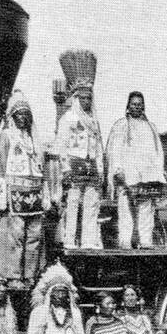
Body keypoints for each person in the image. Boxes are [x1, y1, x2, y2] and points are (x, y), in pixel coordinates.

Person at [0, 89, 47, 289]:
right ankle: (13, 275)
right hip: (15, 191)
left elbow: (42, 169)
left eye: (26, 115)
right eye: (19, 114)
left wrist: (45, 194)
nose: (23, 118)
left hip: (34, 192)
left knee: (34, 237)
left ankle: (30, 274)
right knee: (16, 236)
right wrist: (0, 197)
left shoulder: (34, 140)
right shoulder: (6, 136)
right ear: (13, 116)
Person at [106, 91, 166, 249]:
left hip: (147, 175)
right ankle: (125, 242)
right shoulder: (121, 125)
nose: (137, 107)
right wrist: (118, 169)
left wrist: (159, 171)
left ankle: (145, 241)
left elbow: (158, 152)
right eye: (134, 104)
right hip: (128, 175)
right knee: (125, 208)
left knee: (146, 209)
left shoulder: (151, 127)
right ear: (128, 106)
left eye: (140, 104)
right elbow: (115, 149)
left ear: (143, 106)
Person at [55, 81, 105, 250]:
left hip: (90, 166)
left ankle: (88, 240)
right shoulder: (68, 118)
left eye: (89, 98)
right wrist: (66, 168)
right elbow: (61, 145)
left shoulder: (94, 121)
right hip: (74, 164)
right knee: (73, 203)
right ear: (76, 99)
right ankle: (69, 239)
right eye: (83, 98)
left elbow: (98, 147)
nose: (86, 102)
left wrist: (100, 169)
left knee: (91, 204)